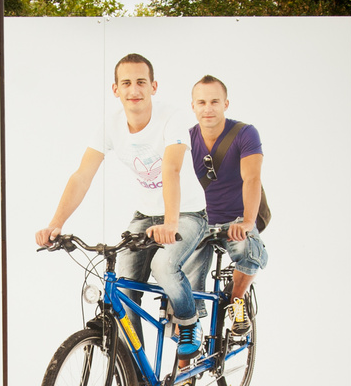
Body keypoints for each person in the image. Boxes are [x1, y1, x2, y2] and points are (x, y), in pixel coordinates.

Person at [35, 54, 207, 359]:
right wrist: (55, 223)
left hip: (186, 213)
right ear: (115, 89)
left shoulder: (174, 117)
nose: (134, 90)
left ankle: (188, 321)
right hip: (145, 216)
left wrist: (170, 223)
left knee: (163, 266)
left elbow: (172, 170)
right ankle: (134, 382)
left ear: (153, 86)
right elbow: (82, 176)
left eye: (141, 82)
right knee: (124, 293)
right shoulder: (111, 125)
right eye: (126, 83)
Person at [185, 76, 267, 337]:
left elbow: (252, 178)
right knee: (183, 279)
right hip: (200, 221)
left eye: (214, 102)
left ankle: (236, 299)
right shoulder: (185, 140)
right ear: (193, 106)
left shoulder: (244, 133)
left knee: (247, 248)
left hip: (237, 217)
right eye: (202, 102)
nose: (208, 108)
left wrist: (246, 222)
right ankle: (189, 352)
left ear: (226, 104)